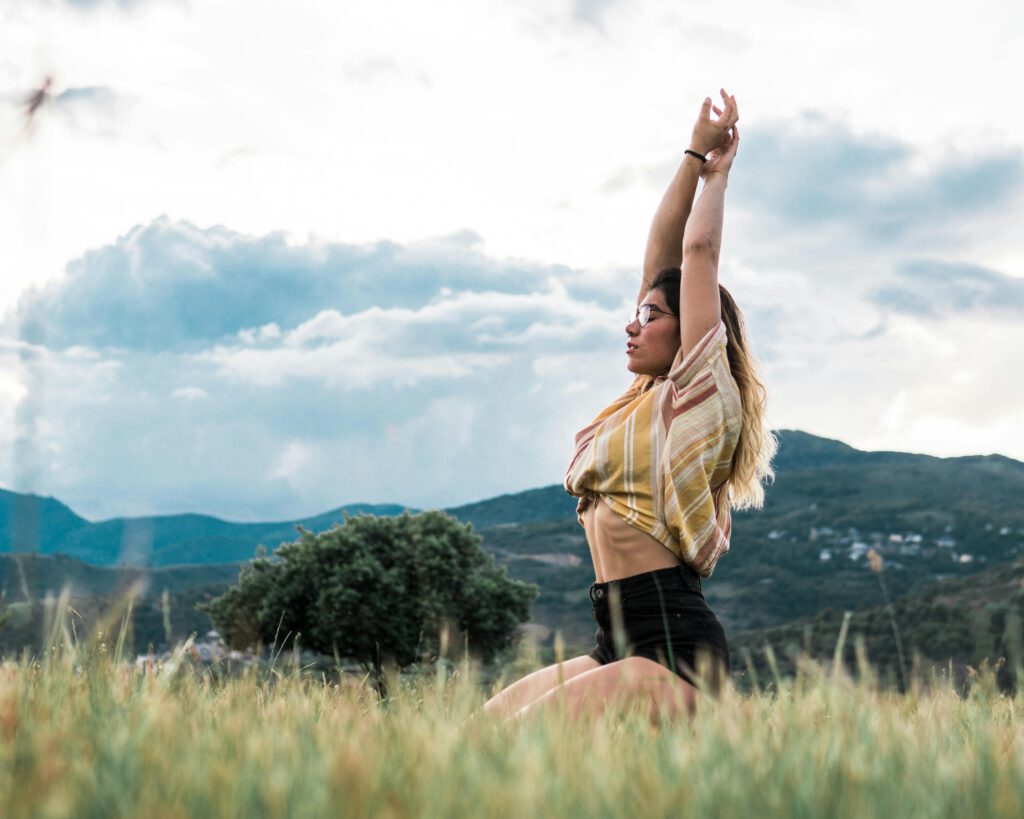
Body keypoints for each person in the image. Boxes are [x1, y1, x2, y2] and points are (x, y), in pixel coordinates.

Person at [480, 88, 777, 725]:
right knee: (481, 734)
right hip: (616, 637)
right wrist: (693, 154)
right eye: (636, 313)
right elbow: (662, 258)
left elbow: (695, 255)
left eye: (651, 315)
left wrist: (718, 179)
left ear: (691, 332)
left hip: (674, 647)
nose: (632, 323)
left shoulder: (694, 398)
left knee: (521, 740)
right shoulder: (641, 401)